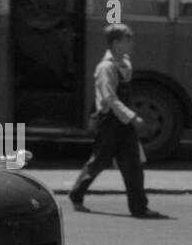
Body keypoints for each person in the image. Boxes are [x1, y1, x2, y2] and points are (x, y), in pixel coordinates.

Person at [68, 23, 164, 218]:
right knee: (100, 160)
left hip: (123, 122)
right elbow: (110, 99)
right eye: (127, 40)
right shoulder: (105, 68)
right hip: (110, 122)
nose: (131, 44)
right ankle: (76, 193)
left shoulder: (124, 63)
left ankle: (139, 207)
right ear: (116, 43)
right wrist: (133, 117)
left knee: (133, 164)